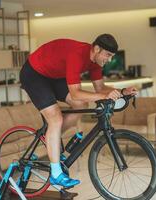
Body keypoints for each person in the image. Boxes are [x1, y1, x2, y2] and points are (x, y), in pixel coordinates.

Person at [19, 33, 137, 188]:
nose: (109, 60)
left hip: (54, 75)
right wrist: (102, 96)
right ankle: (55, 174)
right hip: (34, 74)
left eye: (111, 56)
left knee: (80, 105)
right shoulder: (77, 55)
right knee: (56, 118)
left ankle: (51, 139)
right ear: (96, 49)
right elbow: (75, 93)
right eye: (107, 55)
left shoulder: (95, 62)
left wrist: (122, 92)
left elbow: (100, 88)